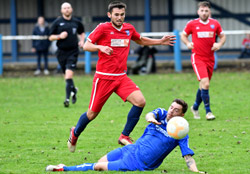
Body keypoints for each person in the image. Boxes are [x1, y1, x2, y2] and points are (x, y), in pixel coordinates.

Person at [66, 1, 176, 153]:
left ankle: (124, 136)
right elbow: (86, 45)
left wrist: (160, 42)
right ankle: (75, 133)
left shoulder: (128, 28)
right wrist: (100, 47)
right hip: (104, 78)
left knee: (140, 102)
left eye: (122, 14)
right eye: (116, 15)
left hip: (121, 77)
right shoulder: (103, 28)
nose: (119, 17)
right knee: (92, 114)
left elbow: (140, 40)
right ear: (109, 15)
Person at [46, 99, 206, 173]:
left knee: (98, 166)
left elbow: (187, 157)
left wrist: (196, 171)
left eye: (176, 110)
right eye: (171, 107)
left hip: (140, 162)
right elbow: (150, 114)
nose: (171, 111)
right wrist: (151, 119)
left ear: (182, 114)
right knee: (100, 164)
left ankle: (63, 168)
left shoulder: (180, 132)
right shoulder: (161, 113)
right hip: (130, 149)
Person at [181, 1, 226, 120]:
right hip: (198, 58)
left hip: (210, 59)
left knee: (203, 86)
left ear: (209, 12)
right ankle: (208, 112)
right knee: (206, 84)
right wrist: (187, 43)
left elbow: (223, 36)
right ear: (198, 11)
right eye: (202, 10)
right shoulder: (192, 24)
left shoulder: (215, 23)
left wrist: (219, 44)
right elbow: (183, 35)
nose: (204, 13)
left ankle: (195, 107)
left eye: (206, 11)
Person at [49, 2, 85, 107]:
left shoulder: (77, 22)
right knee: (67, 77)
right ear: (61, 10)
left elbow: (81, 32)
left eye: (68, 8)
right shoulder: (57, 22)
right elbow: (50, 37)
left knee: (69, 75)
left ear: (71, 9)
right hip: (61, 52)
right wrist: (59, 36)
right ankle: (73, 90)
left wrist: (82, 41)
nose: (67, 10)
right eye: (64, 8)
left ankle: (67, 99)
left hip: (73, 52)